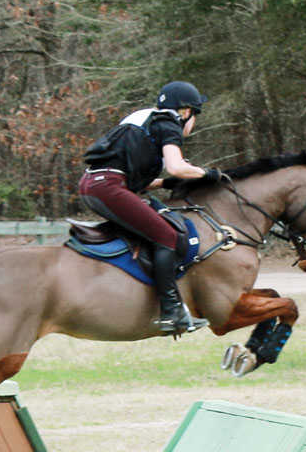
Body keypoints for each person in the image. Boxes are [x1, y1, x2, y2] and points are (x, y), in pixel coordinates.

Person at [79, 81, 212, 334]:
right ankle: (172, 313)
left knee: (151, 231)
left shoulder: (144, 118)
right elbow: (176, 166)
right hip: (108, 187)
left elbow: (131, 173)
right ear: (185, 112)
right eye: (195, 115)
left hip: (93, 184)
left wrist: (166, 183)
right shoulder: (169, 123)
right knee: (166, 236)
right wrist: (206, 173)